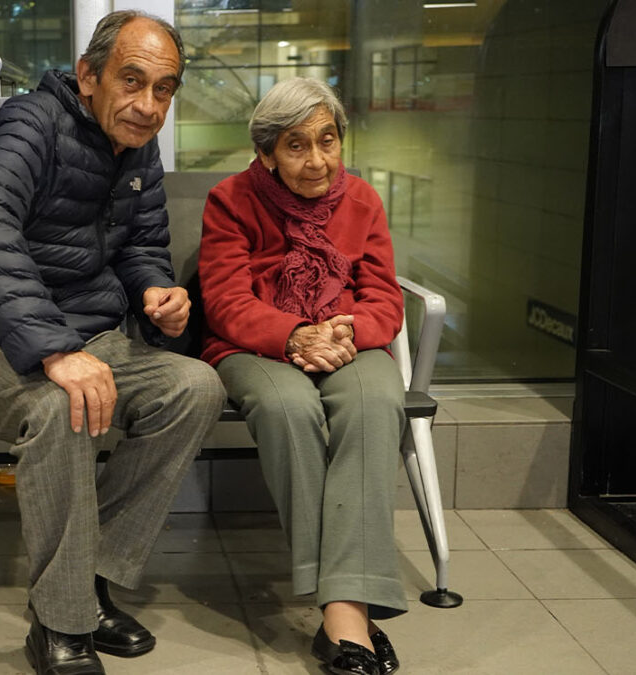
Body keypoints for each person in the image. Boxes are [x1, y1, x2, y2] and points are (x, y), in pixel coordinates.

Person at [0, 11, 226, 675]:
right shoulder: (29, 123)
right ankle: (61, 619)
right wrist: (53, 348)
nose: (147, 105)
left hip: (76, 333)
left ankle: (92, 580)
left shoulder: (136, 147)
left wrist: (156, 292)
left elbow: (140, 244)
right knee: (60, 405)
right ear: (88, 75)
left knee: (194, 387)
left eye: (164, 89)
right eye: (131, 81)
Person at [198, 77, 406, 675]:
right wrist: (292, 336)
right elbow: (227, 303)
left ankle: (341, 612)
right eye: (295, 145)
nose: (316, 160)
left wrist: (346, 332)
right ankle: (348, 613)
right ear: (265, 153)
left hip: (344, 340)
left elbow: (384, 300)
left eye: (327, 140)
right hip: (255, 345)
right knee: (289, 407)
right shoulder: (231, 200)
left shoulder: (362, 200)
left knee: (373, 403)